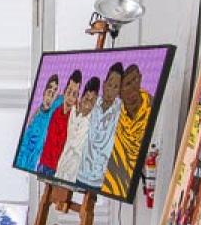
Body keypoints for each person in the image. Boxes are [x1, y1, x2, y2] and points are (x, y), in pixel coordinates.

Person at [101, 64, 155, 198]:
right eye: (128, 84)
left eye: (136, 80)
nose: (133, 87)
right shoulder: (114, 116)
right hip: (117, 184)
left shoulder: (152, 106)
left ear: (141, 78)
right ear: (119, 92)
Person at [78, 63, 124, 187]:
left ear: (119, 91)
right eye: (109, 84)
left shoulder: (121, 111)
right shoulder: (91, 103)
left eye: (115, 87)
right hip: (79, 173)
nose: (110, 90)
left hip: (100, 181)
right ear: (104, 84)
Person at [54, 76, 99, 183]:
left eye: (92, 101)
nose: (88, 104)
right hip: (60, 169)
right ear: (82, 98)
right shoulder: (73, 111)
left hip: (74, 175)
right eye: (86, 98)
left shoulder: (93, 122)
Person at [37, 71, 82, 177]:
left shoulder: (75, 119)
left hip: (59, 170)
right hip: (44, 165)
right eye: (69, 91)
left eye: (74, 94)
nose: (70, 97)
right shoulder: (55, 110)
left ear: (77, 98)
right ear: (64, 91)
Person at [15, 74, 60, 172]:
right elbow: (24, 145)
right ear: (44, 92)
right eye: (50, 88)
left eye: (55, 90)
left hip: (41, 166)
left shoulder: (54, 111)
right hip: (26, 164)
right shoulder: (35, 116)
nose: (52, 92)